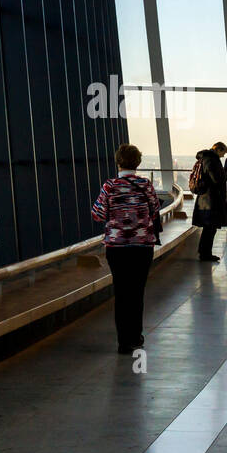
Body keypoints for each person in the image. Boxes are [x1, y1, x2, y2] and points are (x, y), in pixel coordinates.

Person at [91, 143, 162, 354]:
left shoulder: (109, 186)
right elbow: (155, 210)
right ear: (138, 162)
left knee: (121, 292)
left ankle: (123, 341)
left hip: (117, 247)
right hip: (142, 246)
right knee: (137, 291)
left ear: (118, 162)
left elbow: (97, 214)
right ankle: (135, 336)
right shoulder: (146, 185)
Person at [192, 141, 227, 262]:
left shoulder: (206, 158)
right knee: (210, 227)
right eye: (223, 153)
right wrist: (225, 176)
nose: (223, 156)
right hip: (211, 199)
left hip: (206, 198)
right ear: (218, 149)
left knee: (209, 227)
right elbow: (215, 178)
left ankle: (204, 252)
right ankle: (205, 253)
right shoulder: (211, 159)